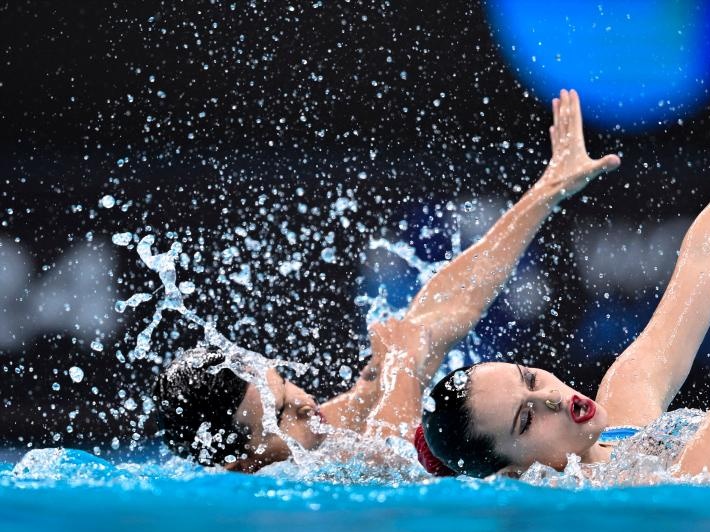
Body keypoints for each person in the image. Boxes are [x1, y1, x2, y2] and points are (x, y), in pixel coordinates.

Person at [420, 37, 710, 481]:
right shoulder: (582, 505)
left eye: (531, 380)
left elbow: (700, 266)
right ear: (510, 473)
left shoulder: (627, 416)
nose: (550, 398)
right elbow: (698, 502)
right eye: (526, 419)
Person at [152, 90, 621, 473]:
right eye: (280, 416)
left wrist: (547, 192)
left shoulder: (335, 421)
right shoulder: (295, 483)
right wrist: (404, 371)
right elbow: (396, 469)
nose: (305, 403)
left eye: (288, 388)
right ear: (238, 462)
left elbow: (440, 314)